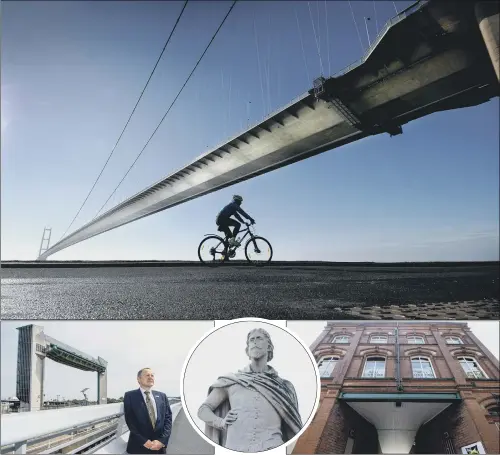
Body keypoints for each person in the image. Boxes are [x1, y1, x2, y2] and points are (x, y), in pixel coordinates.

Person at [197, 328, 302, 452]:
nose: (255, 342)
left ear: (269, 347)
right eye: (251, 340)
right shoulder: (232, 380)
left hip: (272, 446)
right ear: (247, 350)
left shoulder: (283, 386)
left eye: (259, 338)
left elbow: (294, 426)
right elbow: (203, 410)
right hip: (235, 447)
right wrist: (221, 422)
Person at [123, 368, 172, 454]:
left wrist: (162, 441)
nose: (150, 377)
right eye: (147, 375)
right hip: (138, 447)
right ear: (138, 379)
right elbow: (130, 421)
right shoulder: (130, 396)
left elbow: (168, 419)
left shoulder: (162, 396)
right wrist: (144, 441)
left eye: (152, 375)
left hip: (159, 447)